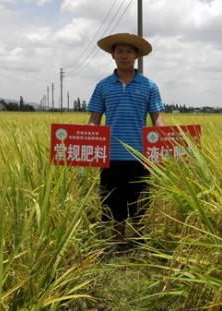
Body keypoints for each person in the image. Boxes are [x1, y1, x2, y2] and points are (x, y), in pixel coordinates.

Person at [87, 33, 165, 248]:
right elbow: (94, 119)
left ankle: (138, 242)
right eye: (119, 51)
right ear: (112, 55)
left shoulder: (149, 86)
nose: (124, 55)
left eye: (129, 51)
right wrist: (84, 145)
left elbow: (157, 117)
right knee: (113, 200)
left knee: (140, 200)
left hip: (140, 155)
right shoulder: (103, 86)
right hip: (109, 154)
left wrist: (167, 144)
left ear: (136, 56)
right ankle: (118, 241)